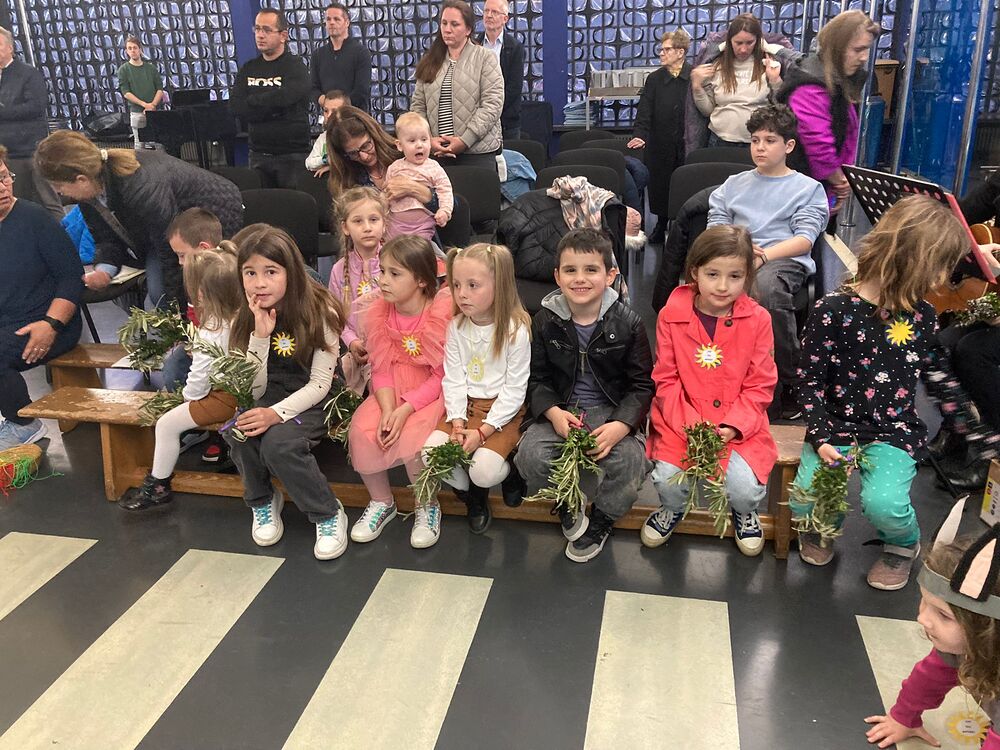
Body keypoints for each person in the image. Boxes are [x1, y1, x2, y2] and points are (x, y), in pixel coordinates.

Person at [791, 195, 970, 591]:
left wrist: (975, 432)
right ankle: (823, 525)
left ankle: (903, 544)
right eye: (941, 266)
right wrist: (821, 437)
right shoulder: (833, 309)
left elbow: (937, 375)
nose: (944, 279)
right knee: (805, 500)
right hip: (834, 426)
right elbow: (807, 382)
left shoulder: (923, 315)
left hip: (892, 431)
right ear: (910, 260)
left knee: (884, 504)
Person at [514, 228, 654, 563]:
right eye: (570, 270)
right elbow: (536, 378)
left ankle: (604, 516)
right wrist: (552, 412)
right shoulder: (544, 321)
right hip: (562, 409)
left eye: (591, 270)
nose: (580, 278)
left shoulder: (629, 323)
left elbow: (641, 385)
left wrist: (622, 424)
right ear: (557, 276)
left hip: (611, 409)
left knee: (631, 463)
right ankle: (567, 499)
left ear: (610, 275)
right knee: (530, 456)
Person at [643, 225, 777, 556]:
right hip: (681, 421)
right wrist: (690, 426)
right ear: (695, 272)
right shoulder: (671, 316)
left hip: (738, 425)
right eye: (712, 274)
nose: (722, 286)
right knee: (668, 481)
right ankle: (672, 509)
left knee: (743, 490)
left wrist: (733, 425)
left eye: (735, 276)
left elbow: (760, 384)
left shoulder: (758, 320)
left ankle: (745, 512)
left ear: (747, 277)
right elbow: (666, 379)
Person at [227, 224, 349, 560]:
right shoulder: (245, 314)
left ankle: (327, 512)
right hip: (268, 393)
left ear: (290, 272)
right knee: (238, 432)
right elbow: (253, 388)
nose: (259, 283)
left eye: (270, 271)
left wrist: (274, 415)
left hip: (315, 397)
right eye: (250, 273)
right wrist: (260, 336)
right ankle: (263, 499)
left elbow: (320, 384)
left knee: (279, 444)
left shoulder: (320, 310)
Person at [707, 104, 828, 420]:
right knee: (701, 288)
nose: (760, 147)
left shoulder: (807, 189)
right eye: (755, 140)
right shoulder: (733, 184)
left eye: (770, 141)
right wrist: (742, 250)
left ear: (789, 146)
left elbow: (804, 239)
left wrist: (762, 256)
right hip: (736, 255)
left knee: (766, 290)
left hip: (782, 258)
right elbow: (716, 226)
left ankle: (789, 380)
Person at [34, 130, 243, 309]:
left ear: (81, 179)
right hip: (164, 232)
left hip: (214, 214)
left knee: (168, 293)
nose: (59, 193)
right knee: (158, 294)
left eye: (59, 186)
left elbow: (169, 252)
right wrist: (104, 270)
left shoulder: (141, 186)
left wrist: (175, 317)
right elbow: (105, 239)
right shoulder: (88, 194)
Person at [863, 506, 1000, 750]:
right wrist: (903, 717)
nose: (922, 619)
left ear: (988, 628)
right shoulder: (961, 647)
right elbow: (930, 678)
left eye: (943, 615)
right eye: (924, 602)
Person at [348, 236, 453, 549]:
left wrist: (405, 409)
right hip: (391, 389)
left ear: (421, 280)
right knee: (362, 430)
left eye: (394, 274)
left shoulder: (439, 314)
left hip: (429, 393)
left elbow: (441, 375)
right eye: (382, 271)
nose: (383, 280)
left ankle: (426, 504)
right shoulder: (379, 313)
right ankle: (382, 501)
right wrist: (387, 409)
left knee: (412, 438)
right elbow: (381, 368)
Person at [119, 245, 242, 511]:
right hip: (243, 390)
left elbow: (199, 380)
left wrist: (187, 399)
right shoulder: (241, 316)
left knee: (166, 424)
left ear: (202, 293)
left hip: (226, 396)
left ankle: (157, 486)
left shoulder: (213, 327)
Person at [419, 243, 530, 534]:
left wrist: (483, 432)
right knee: (432, 455)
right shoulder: (456, 327)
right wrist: (457, 422)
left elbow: (515, 389)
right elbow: (453, 378)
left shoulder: (515, 330)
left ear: (499, 285)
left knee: (483, 471)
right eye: (456, 285)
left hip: (501, 412)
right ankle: (473, 497)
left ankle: (509, 472)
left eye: (473, 285)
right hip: (465, 406)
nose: (462, 294)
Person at [0, 148, 84, 451]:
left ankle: (24, 423)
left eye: (4, 178)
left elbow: (71, 277)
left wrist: (51, 324)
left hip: (50, 321)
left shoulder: (34, 218)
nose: (2, 188)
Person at [778, 10, 879, 214]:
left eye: (866, 49)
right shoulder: (810, 86)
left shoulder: (833, 80)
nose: (864, 57)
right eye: (858, 49)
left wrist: (840, 180)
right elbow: (818, 143)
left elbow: (847, 135)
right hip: (799, 192)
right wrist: (840, 182)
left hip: (816, 186)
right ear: (836, 47)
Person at [163, 208, 231, 465]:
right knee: (174, 362)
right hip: (207, 341)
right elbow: (195, 316)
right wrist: (193, 342)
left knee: (211, 373)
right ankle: (198, 425)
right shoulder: (194, 275)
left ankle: (222, 434)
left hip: (231, 350)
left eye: (182, 255)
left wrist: (204, 346)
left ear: (203, 248)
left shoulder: (226, 272)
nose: (180, 262)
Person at [412, 0, 504, 171]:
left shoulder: (485, 58)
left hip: (477, 154)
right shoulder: (430, 60)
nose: (447, 29)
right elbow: (418, 105)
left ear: (468, 29)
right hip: (437, 154)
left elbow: (492, 105)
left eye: (454, 24)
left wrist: (465, 140)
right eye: (444, 23)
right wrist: (427, 139)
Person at [231, 8, 312, 189]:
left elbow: (287, 97)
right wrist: (273, 107)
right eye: (257, 29)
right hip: (258, 155)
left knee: (294, 203)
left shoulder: (295, 67)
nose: (260, 35)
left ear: (283, 35)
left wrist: (253, 102)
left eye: (267, 30)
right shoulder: (248, 68)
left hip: (292, 156)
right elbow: (236, 106)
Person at [627, 29, 692, 245]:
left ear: (680, 52)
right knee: (661, 185)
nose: (661, 54)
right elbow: (645, 110)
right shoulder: (655, 79)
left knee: (684, 184)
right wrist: (640, 134)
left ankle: (682, 229)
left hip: (686, 142)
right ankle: (661, 224)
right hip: (660, 141)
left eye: (666, 49)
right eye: (661, 49)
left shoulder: (693, 76)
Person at [689, 14, 783, 148]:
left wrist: (775, 80)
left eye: (749, 43)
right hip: (719, 141)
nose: (743, 49)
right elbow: (708, 111)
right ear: (729, 41)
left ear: (758, 41)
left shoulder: (769, 64)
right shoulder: (716, 65)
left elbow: (780, 108)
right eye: (738, 43)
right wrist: (697, 86)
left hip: (757, 143)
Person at [324, 106, 437, 214]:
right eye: (353, 153)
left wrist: (415, 189)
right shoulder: (348, 179)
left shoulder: (407, 153)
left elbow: (446, 206)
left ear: (374, 135)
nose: (364, 156)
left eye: (366, 146)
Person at [329, 186, 387, 390]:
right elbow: (335, 317)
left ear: (384, 224)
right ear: (345, 227)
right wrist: (352, 341)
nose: (367, 227)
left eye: (374, 219)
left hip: (388, 349)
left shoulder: (395, 264)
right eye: (358, 221)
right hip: (354, 350)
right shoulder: (338, 270)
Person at [0, 26, 61, 221]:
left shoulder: (28, 74)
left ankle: (63, 234)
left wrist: (3, 111)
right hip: (8, 153)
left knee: (48, 200)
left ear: (10, 48)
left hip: (31, 150)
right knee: (18, 204)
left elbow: (36, 106)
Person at [385, 112, 454, 240]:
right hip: (395, 223)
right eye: (412, 141)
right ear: (400, 145)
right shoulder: (394, 168)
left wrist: (445, 211)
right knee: (392, 250)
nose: (419, 145)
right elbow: (386, 193)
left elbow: (445, 190)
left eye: (424, 139)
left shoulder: (434, 167)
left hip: (422, 226)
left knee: (419, 250)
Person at [310, 2, 372, 112]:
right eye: (328, 19)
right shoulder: (317, 55)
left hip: (354, 115)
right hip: (328, 116)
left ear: (347, 22)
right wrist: (326, 102)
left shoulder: (361, 53)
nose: (331, 22)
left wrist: (339, 107)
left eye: (336, 19)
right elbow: (313, 88)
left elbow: (361, 90)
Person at [478, 0, 525, 141]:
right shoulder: (474, 45)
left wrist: (491, 110)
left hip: (507, 123)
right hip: (478, 121)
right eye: (486, 11)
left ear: (505, 18)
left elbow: (514, 88)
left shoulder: (515, 48)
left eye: (494, 12)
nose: (489, 15)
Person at [116, 36, 164, 146]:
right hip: (137, 113)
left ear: (140, 49)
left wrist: (152, 105)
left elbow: (160, 89)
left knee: (158, 145)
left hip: (153, 112)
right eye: (130, 48)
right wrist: (144, 105)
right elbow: (126, 93)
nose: (133, 51)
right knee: (139, 146)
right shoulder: (123, 70)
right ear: (126, 51)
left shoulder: (151, 68)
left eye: (135, 48)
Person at [305, 90, 348, 176]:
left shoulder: (353, 135)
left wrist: (333, 167)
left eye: (334, 111)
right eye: (325, 111)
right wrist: (326, 160)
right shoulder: (323, 137)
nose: (328, 116)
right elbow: (309, 163)